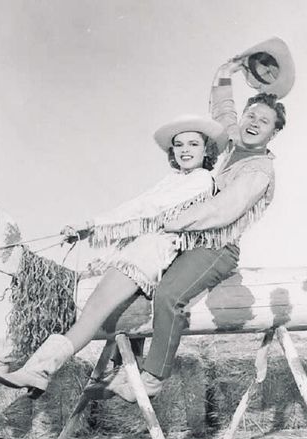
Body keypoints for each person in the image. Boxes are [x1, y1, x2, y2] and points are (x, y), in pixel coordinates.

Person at [0, 115, 228, 393]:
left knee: (91, 311)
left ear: (207, 150)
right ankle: (5, 358)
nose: (185, 150)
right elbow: (140, 207)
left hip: (148, 256)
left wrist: (92, 224)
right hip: (135, 250)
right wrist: (90, 228)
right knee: (71, 300)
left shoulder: (201, 180)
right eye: (179, 145)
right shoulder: (174, 179)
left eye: (193, 144)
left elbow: (146, 209)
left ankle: (39, 370)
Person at [106, 45, 291, 402]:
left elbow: (221, 212)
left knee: (169, 295)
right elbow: (222, 105)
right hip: (187, 237)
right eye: (251, 115)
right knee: (137, 274)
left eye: (264, 121)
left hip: (216, 247)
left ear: (274, 133)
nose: (253, 123)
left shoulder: (259, 171)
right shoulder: (232, 142)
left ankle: (153, 378)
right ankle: (123, 364)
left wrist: (169, 223)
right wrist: (230, 68)